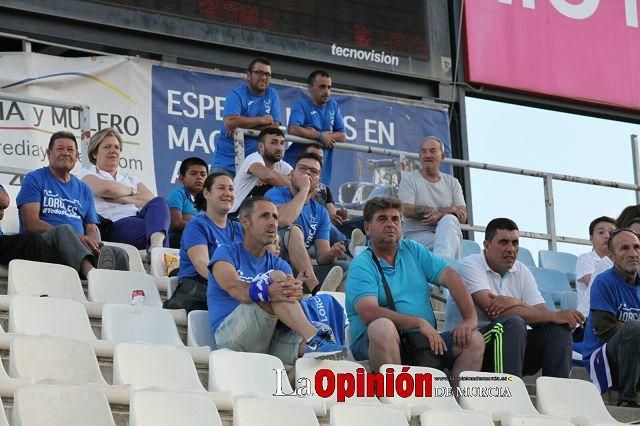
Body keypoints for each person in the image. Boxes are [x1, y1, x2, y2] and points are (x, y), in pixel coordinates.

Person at [345, 196, 484, 376]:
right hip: (377, 341)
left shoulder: (413, 249)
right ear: (367, 228)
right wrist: (418, 322)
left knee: (474, 339)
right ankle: (394, 400)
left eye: (395, 219)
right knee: (381, 327)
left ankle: (456, 402)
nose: (390, 224)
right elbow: (368, 312)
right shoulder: (361, 264)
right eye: (382, 219)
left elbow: (452, 277)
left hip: (422, 342)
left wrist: (470, 320)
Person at [207, 196, 347, 364]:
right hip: (231, 337)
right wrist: (268, 291)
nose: (273, 222)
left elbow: (290, 305)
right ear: (245, 222)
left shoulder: (280, 264)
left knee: (314, 355)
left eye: (275, 216)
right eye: (264, 216)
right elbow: (237, 289)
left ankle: (303, 367)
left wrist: (296, 291)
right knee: (276, 278)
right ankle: (313, 337)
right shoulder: (225, 253)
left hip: (269, 337)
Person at [447, 218, 583, 378]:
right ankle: (509, 393)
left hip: (511, 349)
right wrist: (551, 314)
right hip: (472, 348)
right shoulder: (470, 265)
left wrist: (517, 302)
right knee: (513, 323)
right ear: (486, 245)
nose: (511, 249)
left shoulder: (522, 270)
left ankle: (558, 395)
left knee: (557, 330)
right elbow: (495, 312)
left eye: (515, 243)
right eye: (503, 242)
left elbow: (542, 315)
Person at [15, 130, 128, 276]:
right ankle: (92, 274)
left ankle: (122, 294)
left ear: (77, 156)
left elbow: (91, 228)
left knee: (119, 254)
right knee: (64, 230)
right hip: (45, 245)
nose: (66, 153)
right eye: (60, 149)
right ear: (49, 154)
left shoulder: (84, 189)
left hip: (78, 246)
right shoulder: (34, 179)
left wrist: (93, 245)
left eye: (70, 150)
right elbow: (30, 223)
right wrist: (77, 237)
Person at [78, 127, 171, 251]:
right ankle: (158, 250)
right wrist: (134, 193)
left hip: (137, 218)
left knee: (159, 203)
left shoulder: (130, 178)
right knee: (157, 230)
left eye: (116, 147)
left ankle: (156, 247)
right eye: (107, 147)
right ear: (95, 153)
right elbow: (108, 189)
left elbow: (149, 199)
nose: (113, 151)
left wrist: (121, 198)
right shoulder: (86, 173)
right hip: (114, 224)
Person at [266, 152, 347, 292]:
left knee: (346, 268)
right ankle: (317, 291)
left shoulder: (321, 213)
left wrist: (332, 254)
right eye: (303, 169)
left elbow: (322, 257)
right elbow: (283, 220)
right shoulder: (275, 193)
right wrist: (304, 190)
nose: (308, 174)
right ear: (292, 173)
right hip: (275, 263)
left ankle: (331, 308)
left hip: (302, 270)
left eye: (314, 172)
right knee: (294, 230)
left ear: (318, 181)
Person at [581, 228, 640, 407]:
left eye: (637, 247)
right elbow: (607, 331)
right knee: (634, 328)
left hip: (635, 351)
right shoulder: (603, 282)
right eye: (625, 248)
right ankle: (627, 399)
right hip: (604, 356)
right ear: (611, 256)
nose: (633, 253)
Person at [170, 172, 243, 312]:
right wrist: (236, 287)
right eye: (221, 188)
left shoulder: (239, 228)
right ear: (206, 193)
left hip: (234, 289)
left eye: (231, 189)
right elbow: (202, 265)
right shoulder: (197, 225)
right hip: (204, 288)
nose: (228, 193)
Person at [398, 136, 466, 259]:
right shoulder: (409, 179)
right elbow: (406, 210)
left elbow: (463, 216)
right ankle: (444, 268)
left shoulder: (452, 182)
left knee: (449, 220)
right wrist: (447, 210)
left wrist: (440, 215)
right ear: (419, 156)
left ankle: (441, 267)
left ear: (443, 156)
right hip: (417, 237)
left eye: (432, 151)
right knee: (449, 242)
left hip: (447, 236)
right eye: (424, 151)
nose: (427, 155)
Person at [212, 57, 282, 176]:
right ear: (248, 75)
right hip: (226, 164)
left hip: (253, 166)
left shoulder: (272, 94)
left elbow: (274, 127)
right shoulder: (236, 94)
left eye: (267, 74)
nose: (264, 77)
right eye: (259, 73)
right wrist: (261, 120)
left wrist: (240, 127)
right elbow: (230, 121)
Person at [285, 70, 346, 185]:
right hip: (295, 168)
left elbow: (342, 136)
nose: (326, 91)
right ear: (310, 87)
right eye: (322, 87)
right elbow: (293, 129)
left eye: (329, 87)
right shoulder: (302, 105)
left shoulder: (333, 105)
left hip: (320, 173)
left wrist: (317, 134)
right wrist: (320, 135)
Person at [302, 144, 365, 255]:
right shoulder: (295, 183)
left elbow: (333, 216)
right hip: (313, 228)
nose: (317, 160)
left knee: (368, 220)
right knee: (325, 224)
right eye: (313, 156)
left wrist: (339, 215)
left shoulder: (324, 188)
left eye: (320, 158)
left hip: (329, 227)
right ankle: (350, 247)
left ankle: (373, 252)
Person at [230, 128, 292, 214]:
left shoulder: (281, 165)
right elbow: (268, 176)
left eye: (282, 143)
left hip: (258, 219)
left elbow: (298, 178)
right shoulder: (253, 158)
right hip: (235, 217)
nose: (279, 148)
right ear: (261, 146)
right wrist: (296, 185)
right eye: (274, 143)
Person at [574, 216, 616, 337]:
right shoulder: (585, 259)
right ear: (591, 238)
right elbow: (595, 284)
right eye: (601, 232)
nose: (607, 236)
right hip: (587, 318)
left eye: (612, 232)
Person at [167, 157, 208, 248]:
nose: (199, 177)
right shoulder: (178, 194)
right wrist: (201, 225)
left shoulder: (209, 199)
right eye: (193, 174)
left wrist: (189, 219)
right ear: (182, 178)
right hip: (177, 239)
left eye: (203, 174)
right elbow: (176, 224)